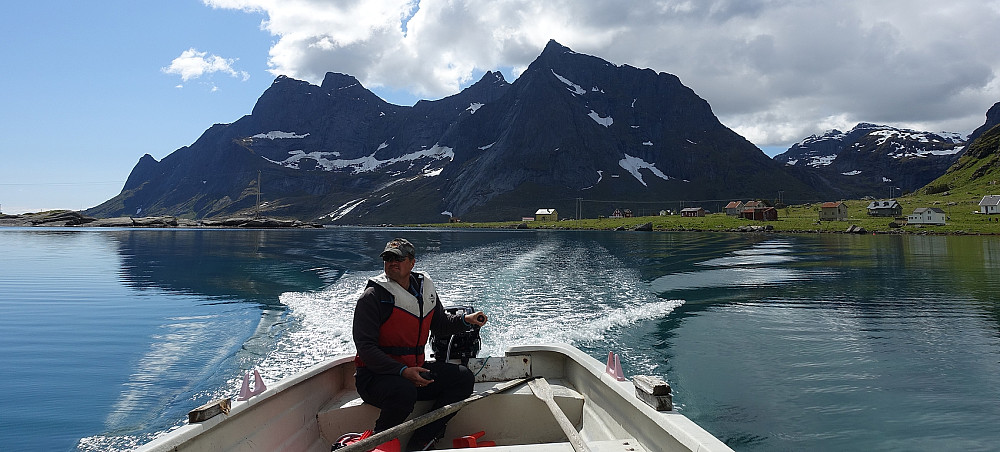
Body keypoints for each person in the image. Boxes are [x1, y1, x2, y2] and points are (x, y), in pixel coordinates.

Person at [352, 238, 487, 451]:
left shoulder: (424, 289)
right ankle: (378, 443)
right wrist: (403, 371)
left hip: (414, 371)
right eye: (388, 258)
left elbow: (440, 324)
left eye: (398, 258)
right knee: (404, 392)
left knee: (462, 378)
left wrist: (465, 321)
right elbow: (366, 349)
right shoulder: (372, 298)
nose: (392, 262)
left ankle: (423, 440)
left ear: (412, 263)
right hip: (375, 379)